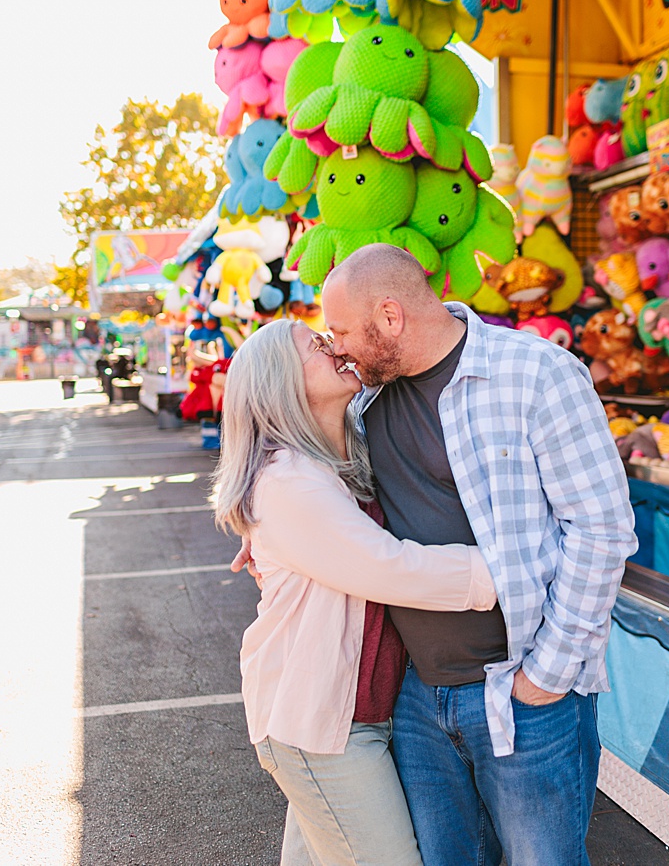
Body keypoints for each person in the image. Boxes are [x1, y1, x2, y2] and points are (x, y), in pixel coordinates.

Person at [320, 243, 637, 866]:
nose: (336, 349)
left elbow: (602, 530)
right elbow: (313, 480)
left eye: (341, 332)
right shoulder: (362, 402)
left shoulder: (537, 372)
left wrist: (546, 676)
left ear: (391, 316)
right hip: (415, 696)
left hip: (524, 691)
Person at [214, 317, 498, 865]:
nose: (335, 347)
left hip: (348, 715)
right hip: (320, 724)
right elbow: (387, 567)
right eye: (317, 346)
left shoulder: (339, 458)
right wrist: (501, 572)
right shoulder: (287, 479)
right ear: (281, 382)